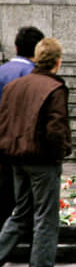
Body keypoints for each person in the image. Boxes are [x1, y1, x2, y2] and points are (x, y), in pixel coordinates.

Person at [0, 37, 70, 267]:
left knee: (20, 213)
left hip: (16, 157)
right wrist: (60, 152)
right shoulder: (54, 88)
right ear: (58, 62)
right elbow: (56, 128)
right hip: (42, 159)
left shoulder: (15, 86)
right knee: (45, 216)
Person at [0, 26, 45, 228]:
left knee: (5, 194)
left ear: (16, 46)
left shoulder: (2, 71)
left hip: (3, 142)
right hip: (26, 146)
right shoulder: (35, 75)